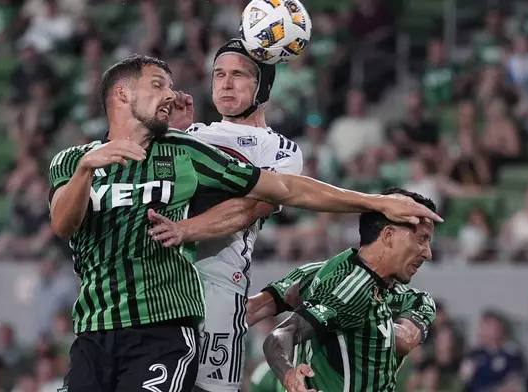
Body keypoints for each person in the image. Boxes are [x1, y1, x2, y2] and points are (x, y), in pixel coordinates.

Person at [48, 55, 442, 392]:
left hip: (163, 325)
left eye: (171, 86)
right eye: (157, 85)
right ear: (122, 93)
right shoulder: (70, 161)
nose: (170, 94)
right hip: (94, 328)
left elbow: (284, 188)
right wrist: (85, 171)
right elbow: (64, 224)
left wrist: (374, 201)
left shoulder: (185, 152)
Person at [150, 38, 303, 392]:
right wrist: (170, 134)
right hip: (162, 281)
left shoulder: (279, 149)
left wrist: (185, 230)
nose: (226, 83)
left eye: (238, 75)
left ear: (262, 85)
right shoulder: (192, 134)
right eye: (218, 74)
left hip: (220, 287)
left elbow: (250, 209)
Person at [261, 188, 437, 392]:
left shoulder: (414, 299)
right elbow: (278, 334)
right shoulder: (346, 288)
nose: (428, 253)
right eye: (421, 240)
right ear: (389, 235)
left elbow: (404, 341)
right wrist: (289, 374)